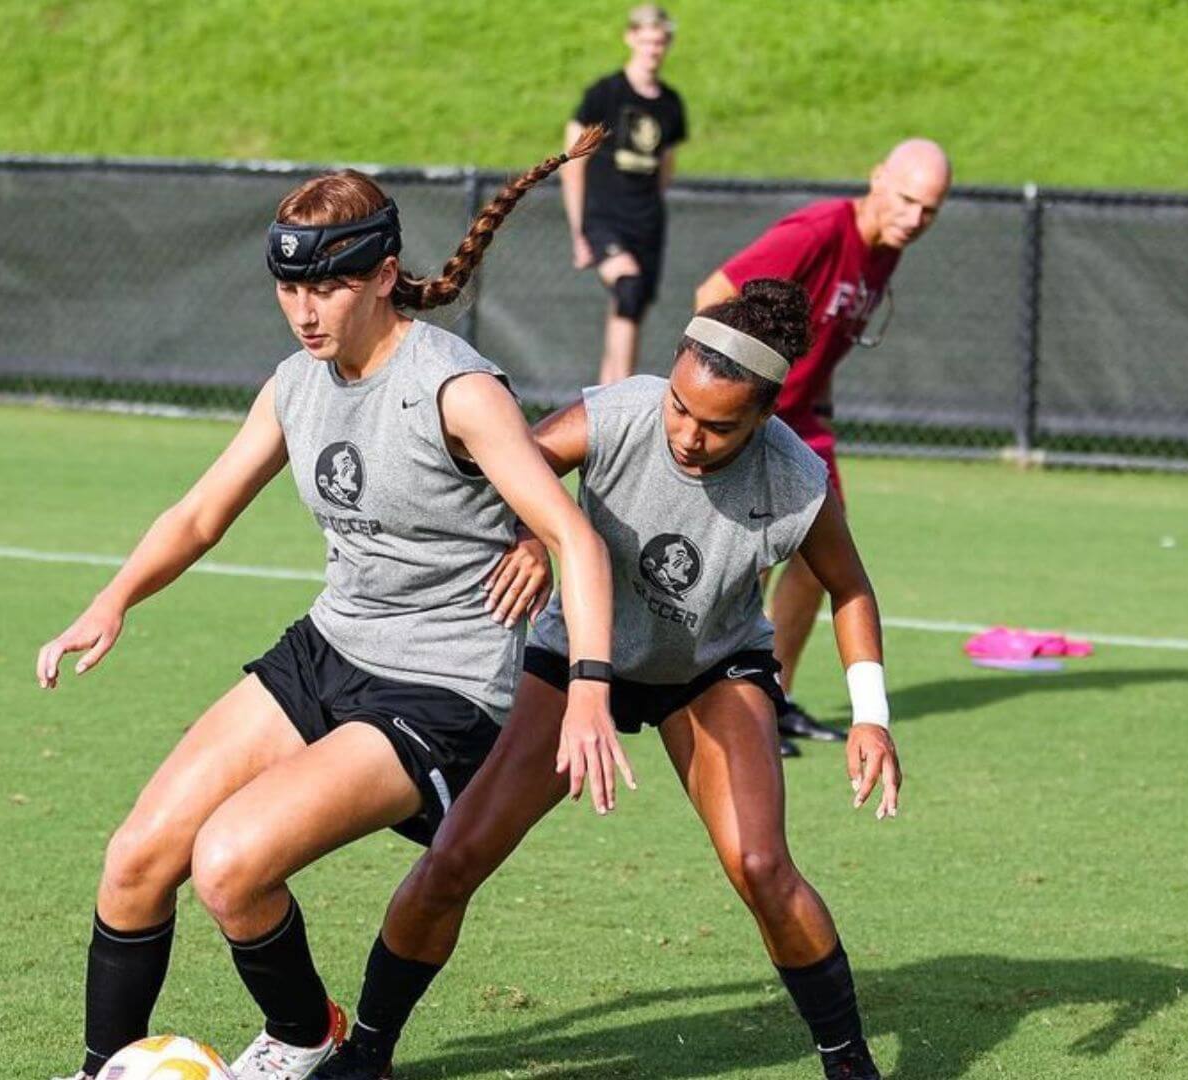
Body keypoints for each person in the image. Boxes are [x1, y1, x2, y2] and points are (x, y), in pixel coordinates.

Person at [38, 129, 633, 1080]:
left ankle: (311, 1036)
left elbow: (574, 538)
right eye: (289, 289)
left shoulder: (455, 387)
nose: (305, 313)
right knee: (138, 857)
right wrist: (111, 601)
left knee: (231, 865)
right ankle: (101, 1070)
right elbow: (199, 514)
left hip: (441, 685)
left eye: (328, 288)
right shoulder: (294, 385)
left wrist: (592, 690)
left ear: (384, 274)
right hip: (329, 647)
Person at [317, 279, 904, 1080]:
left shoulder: (797, 478)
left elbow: (851, 588)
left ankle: (849, 1063)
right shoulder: (623, 411)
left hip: (709, 667)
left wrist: (870, 714)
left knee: (762, 866)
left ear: (766, 416)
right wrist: (529, 534)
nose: (690, 435)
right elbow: (514, 465)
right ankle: (368, 1052)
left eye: (720, 425)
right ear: (671, 375)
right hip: (579, 656)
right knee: (455, 856)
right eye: (683, 409)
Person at [695, 138, 951, 750]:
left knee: (820, 555)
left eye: (930, 211)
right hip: (758, 413)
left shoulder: (884, 249)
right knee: (748, 556)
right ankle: (716, 694)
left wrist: (818, 404)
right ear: (877, 179)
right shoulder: (816, 230)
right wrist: (739, 402)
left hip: (803, 418)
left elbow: (828, 337)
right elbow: (713, 294)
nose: (914, 219)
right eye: (907, 200)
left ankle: (770, 695)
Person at [561, 3, 687, 385]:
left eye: (661, 42)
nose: (654, 49)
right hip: (604, 218)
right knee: (628, 289)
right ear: (631, 39)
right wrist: (579, 231)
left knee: (629, 310)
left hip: (646, 221)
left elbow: (665, 165)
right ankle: (621, 395)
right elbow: (573, 162)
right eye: (647, 41)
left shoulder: (670, 104)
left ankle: (605, 400)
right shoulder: (605, 95)